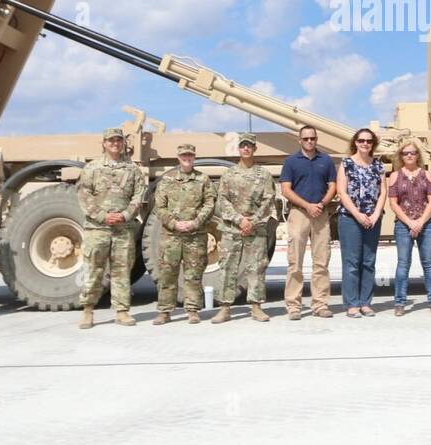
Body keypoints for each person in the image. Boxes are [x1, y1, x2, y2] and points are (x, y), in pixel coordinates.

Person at [75, 127, 146, 329]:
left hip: (123, 229)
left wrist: (124, 215)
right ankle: (88, 311)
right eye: (111, 140)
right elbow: (83, 195)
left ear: (123, 143)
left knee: (122, 271)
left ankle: (122, 312)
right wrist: (103, 216)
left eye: (118, 140)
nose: (115, 143)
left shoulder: (132, 169)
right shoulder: (92, 168)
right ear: (104, 143)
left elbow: (138, 195)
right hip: (98, 229)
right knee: (93, 271)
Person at [213, 132, 279, 323]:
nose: (246, 148)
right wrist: (239, 220)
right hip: (232, 229)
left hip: (255, 229)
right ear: (239, 148)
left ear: (254, 148)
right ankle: (225, 307)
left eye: (249, 145)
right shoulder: (229, 174)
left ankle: (256, 306)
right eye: (243, 145)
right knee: (227, 268)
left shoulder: (264, 175)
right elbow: (223, 200)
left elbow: (268, 200)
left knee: (256, 268)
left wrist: (253, 221)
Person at [279, 124, 338, 319]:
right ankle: (294, 306)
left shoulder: (326, 161)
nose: (309, 142)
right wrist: (307, 205)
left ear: (316, 139)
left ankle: (320, 304)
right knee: (295, 262)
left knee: (321, 262)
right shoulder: (291, 162)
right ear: (300, 140)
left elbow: (332, 186)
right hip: (299, 214)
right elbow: (286, 190)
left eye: (312, 138)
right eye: (306, 139)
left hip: (321, 214)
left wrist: (321, 204)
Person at [151, 143, 214, 325]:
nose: (187, 158)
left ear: (194, 157)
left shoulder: (203, 180)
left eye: (190, 155)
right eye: (183, 156)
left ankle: (193, 310)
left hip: (195, 235)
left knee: (193, 274)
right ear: (178, 158)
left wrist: (195, 222)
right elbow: (160, 206)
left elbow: (209, 204)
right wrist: (174, 223)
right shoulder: (167, 179)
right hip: (171, 236)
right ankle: (165, 311)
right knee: (167, 274)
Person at [387, 140, 431, 316]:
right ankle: (400, 303)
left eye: (412, 152)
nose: (409, 155)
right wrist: (410, 222)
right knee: (403, 264)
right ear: (401, 156)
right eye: (405, 153)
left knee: (428, 264)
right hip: (403, 225)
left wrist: (420, 222)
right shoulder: (395, 176)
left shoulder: (427, 174)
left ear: (418, 155)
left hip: (426, 224)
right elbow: (393, 203)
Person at [337, 128, 386, 318]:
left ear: (373, 144)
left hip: (372, 219)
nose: (365, 144)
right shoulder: (346, 164)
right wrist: (357, 214)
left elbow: (383, 192)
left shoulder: (378, 166)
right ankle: (352, 304)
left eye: (369, 141)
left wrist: (375, 215)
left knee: (368, 261)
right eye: (361, 141)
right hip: (350, 218)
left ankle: (366, 302)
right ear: (355, 142)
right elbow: (342, 192)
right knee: (351, 262)